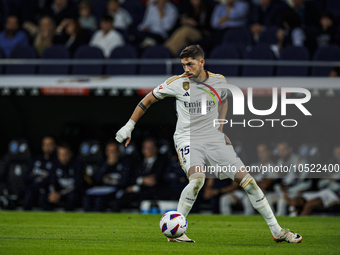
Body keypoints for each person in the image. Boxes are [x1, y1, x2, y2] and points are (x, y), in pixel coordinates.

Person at [116, 44, 302, 243]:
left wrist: (220, 129)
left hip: (213, 139)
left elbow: (224, 100)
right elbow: (147, 100)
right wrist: (129, 126)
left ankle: (277, 231)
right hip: (188, 139)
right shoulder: (176, 83)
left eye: (190, 64)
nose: (186, 69)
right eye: (183, 65)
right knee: (197, 180)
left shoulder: (219, 81)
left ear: (202, 62)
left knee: (249, 183)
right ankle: (176, 232)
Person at [85, 141, 130, 212]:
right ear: (106, 152)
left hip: (116, 191)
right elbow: (96, 180)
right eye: (110, 151)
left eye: (114, 151)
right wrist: (107, 165)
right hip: (102, 190)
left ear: (118, 152)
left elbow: (124, 182)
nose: (112, 154)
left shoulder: (125, 163)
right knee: (87, 198)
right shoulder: (102, 163)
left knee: (100, 201)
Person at [274, 140, 311, 216]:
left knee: (286, 203)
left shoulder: (299, 161)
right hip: (284, 193)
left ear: (290, 149)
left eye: (284, 149)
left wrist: (290, 191)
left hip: (299, 192)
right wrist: (282, 190)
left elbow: (306, 182)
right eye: (279, 150)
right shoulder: (279, 162)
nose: (281, 152)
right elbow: (277, 182)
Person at [45, 142, 82, 211]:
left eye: (65, 155)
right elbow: (51, 181)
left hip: (69, 193)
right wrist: (53, 193)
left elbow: (76, 185)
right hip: (57, 193)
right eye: (60, 155)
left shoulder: (77, 164)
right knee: (44, 196)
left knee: (73, 196)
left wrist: (60, 194)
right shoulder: (55, 164)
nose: (63, 157)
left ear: (70, 154)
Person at [23, 136, 56, 210]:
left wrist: (35, 175)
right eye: (45, 144)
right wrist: (39, 175)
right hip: (32, 188)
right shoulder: (35, 159)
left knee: (43, 200)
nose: (47, 147)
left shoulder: (56, 161)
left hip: (46, 190)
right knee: (27, 198)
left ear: (54, 146)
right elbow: (26, 177)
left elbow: (53, 179)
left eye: (49, 144)